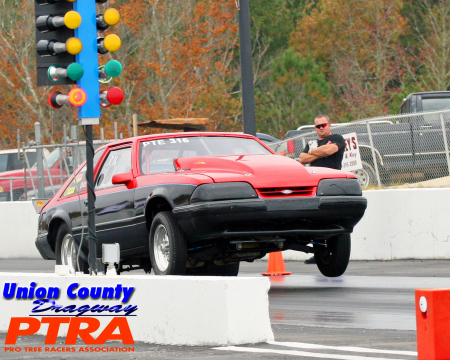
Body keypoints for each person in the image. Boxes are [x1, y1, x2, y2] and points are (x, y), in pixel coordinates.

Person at [299, 114, 345, 264]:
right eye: (318, 126)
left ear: (329, 125)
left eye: (323, 125)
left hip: (333, 182)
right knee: (316, 219)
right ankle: (319, 251)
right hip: (315, 183)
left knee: (333, 218)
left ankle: (335, 250)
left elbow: (328, 151)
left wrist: (313, 152)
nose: (321, 128)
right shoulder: (311, 142)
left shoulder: (338, 138)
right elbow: (302, 159)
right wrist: (319, 150)